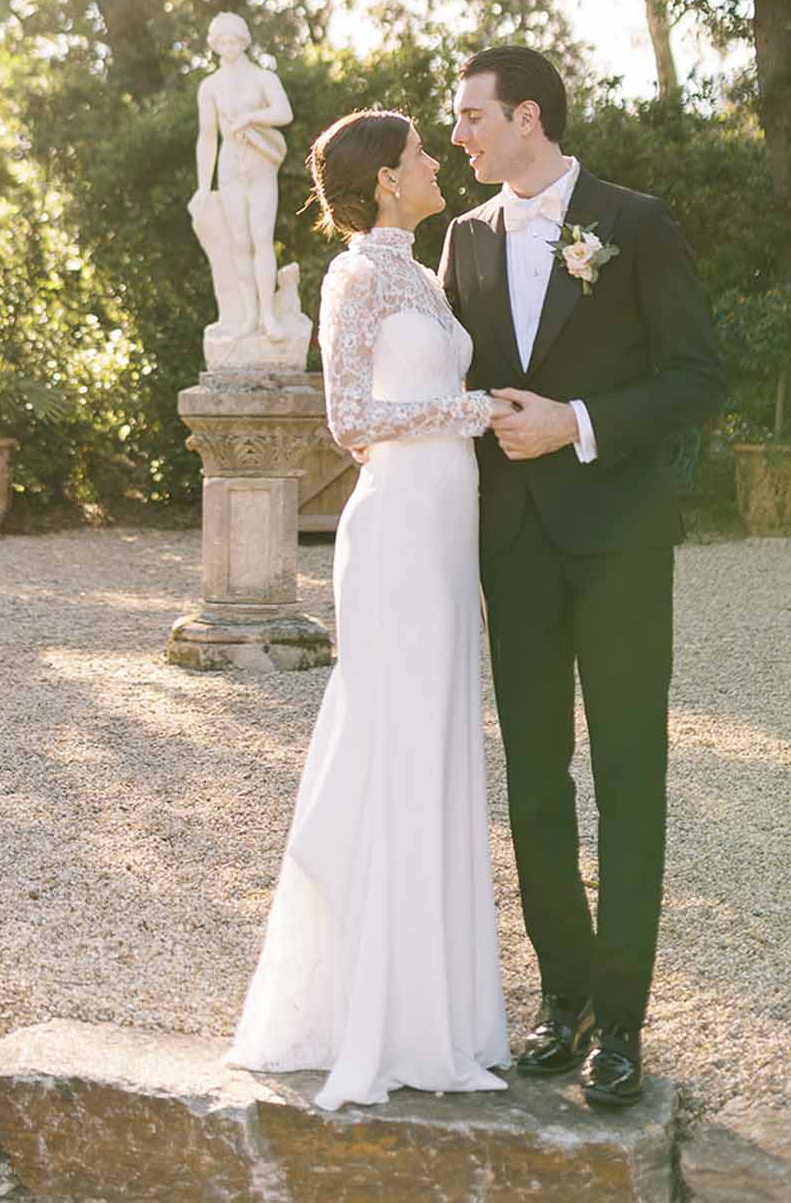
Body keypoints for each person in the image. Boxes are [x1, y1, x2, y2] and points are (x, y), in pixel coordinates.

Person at [440, 44, 724, 1108]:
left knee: (629, 774)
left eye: (471, 116)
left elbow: (697, 376)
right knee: (533, 776)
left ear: (528, 117)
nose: (458, 135)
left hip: (619, 543)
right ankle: (561, 998)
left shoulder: (634, 223)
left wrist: (579, 423)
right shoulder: (463, 238)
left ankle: (622, 1019)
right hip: (512, 546)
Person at [227, 108, 516, 1110]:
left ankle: (440, 1008)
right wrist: (468, 411)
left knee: (436, 741)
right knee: (395, 739)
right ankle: (384, 1017)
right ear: (388, 179)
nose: (437, 162)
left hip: (447, 523)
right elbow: (348, 418)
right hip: (396, 526)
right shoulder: (354, 278)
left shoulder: (427, 275)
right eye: (421, 153)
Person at [190, 12, 294, 341]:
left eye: (233, 39)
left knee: (262, 238)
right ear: (214, 44)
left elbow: (284, 113)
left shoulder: (263, 78)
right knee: (240, 243)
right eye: (222, 40)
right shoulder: (210, 86)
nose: (228, 45)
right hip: (229, 166)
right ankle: (249, 316)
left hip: (260, 164)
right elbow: (207, 138)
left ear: (244, 40)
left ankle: (268, 315)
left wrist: (250, 117)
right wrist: (203, 187)